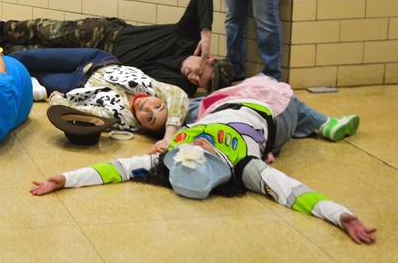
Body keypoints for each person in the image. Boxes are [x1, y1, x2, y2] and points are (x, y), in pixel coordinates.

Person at [29, 89, 377, 245]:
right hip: (270, 113)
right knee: (281, 88)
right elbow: (293, 193)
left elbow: (117, 168)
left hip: (214, 105)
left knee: (176, 106)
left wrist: (64, 179)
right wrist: (341, 214)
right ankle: (319, 123)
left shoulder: (166, 161)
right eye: (204, 151)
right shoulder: (246, 168)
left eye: (190, 148)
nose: (198, 144)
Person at [0, 0, 232, 97]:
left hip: (102, 63)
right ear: (207, 58)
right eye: (201, 72)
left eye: (199, 83)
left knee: (42, 53)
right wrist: (206, 35)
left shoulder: (180, 85)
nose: (194, 78)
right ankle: (3, 27)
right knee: (49, 30)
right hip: (106, 34)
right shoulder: (187, 36)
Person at [177, 74, 359, 153]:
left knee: (266, 84)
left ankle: (322, 122)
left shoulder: (197, 109)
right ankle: (324, 122)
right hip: (272, 123)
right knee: (271, 85)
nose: (192, 76)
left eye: (198, 73)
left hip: (267, 131)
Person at [42, 58, 189, 140]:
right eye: (158, 107)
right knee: (31, 55)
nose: (148, 107)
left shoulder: (119, 117)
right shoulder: (153, 88)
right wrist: (169, 136)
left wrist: (57, 99)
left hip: (74, 83)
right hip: (97, 58)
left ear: (143, 128)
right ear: (163, 101)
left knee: (31, 68)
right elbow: (179, 95)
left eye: (150, 118)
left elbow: (75, 111)